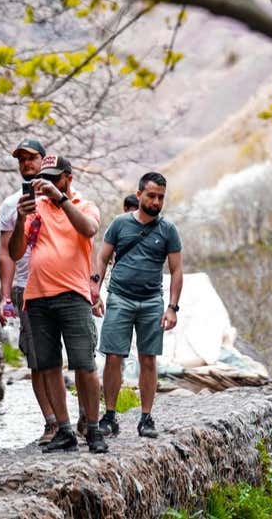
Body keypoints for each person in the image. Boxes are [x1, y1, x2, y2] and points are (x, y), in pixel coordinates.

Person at [9, 155, 108, 454]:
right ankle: (64, 430)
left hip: (73, 294)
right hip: (37, 296)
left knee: (84, 364)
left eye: (55, 178)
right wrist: (20, 219)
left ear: (68, 178)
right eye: (45, 179)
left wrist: (60, 199)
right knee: (50, 365)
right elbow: (15, 252)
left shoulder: (83, 205)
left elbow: (89, 230)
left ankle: (92, 429)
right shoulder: (34, 208)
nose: (49, 183)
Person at [91, 172, 183, 439]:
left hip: (152, 300)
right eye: (152, 195)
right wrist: (95, 288)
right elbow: (102, 257)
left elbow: (176, 271)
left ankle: (146, 417)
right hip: (119, 296)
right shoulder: (119, 224)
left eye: (161, 197)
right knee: (113, 357)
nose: (156, 201)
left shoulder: (168, 230)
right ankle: (109, 416)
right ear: (140, 194)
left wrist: (172, 308)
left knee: (148, 359)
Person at [0, 138, 57, 445]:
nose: (26, 164)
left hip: (60, 285)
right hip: (26, 288)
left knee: (70, 354)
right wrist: (5, 296)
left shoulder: (60, 198)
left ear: (44, 161)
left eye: (31, 158)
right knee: (37, 359)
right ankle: (51, 422)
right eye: (21, 159)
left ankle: (80, 420)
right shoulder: (10, 205)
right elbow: (6, 253)